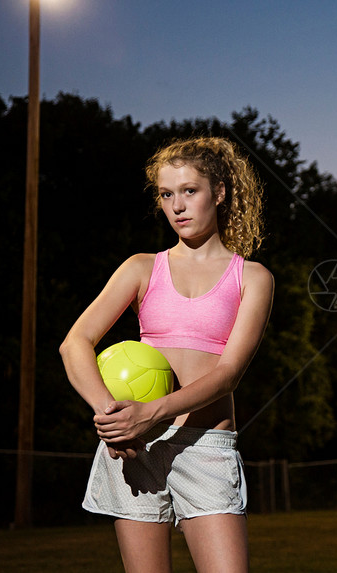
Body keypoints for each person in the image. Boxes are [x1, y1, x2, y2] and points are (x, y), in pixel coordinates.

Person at [60, 136, 274, 573]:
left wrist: (152, 411)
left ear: (220, 191)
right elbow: (74, 344)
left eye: (190, 191)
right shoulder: (141, 267)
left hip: (204, 446)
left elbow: (229, 373)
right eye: (166, 194)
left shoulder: (252, 278)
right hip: (135, 448)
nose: (177, 205)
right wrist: (114, 418)